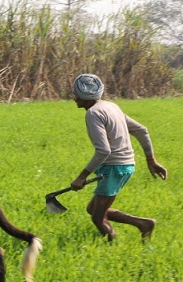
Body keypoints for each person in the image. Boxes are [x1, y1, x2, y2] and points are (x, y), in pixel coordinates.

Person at [69, 74, 168, 241]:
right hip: (126, 165)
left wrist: (81, 177)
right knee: (93, 209)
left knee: (97, 217)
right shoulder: (111, 106)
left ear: (85, 98)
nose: (74, 98)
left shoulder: (93, 113)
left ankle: (113, 245)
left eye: (76, 95)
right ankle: (142, 224)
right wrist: (151, 160)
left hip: (114, 167)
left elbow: (103, 151)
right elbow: (141, 130)